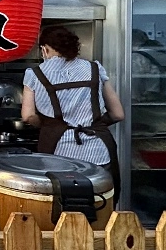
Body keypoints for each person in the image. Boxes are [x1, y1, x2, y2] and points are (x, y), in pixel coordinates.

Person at [21, 26, 125, 198]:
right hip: (98, 151)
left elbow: (28, 116)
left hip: (58, 153)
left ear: (44, 49)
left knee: (63, 202)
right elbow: (118, 114)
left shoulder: (34, 74)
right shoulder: (94, 68)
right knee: (100, 201)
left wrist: (49, 126)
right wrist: (93, 124)